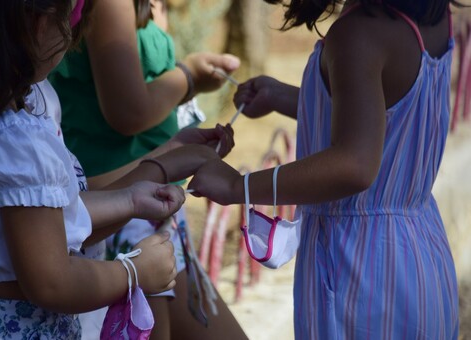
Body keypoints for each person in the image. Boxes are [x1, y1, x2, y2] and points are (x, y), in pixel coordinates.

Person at [0, 1, 231, 338]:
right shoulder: (17, 141)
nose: (72, 33)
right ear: (38, 23)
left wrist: (134, 196)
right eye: (67, 19)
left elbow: (50, 220)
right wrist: (134, 272)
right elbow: (52, 282)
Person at [188, 0, 461, 338]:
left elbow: (355, 165)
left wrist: (236, 186)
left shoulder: (358, 33)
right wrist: (279, 96)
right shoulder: (426, 18)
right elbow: (378, 112)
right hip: (420, 257)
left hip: (360, 273)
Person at [49, 0, 248, 339]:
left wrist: (174, 151)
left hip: (150, 201)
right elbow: (127, 110)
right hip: (120, 215)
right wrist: (189, 76)